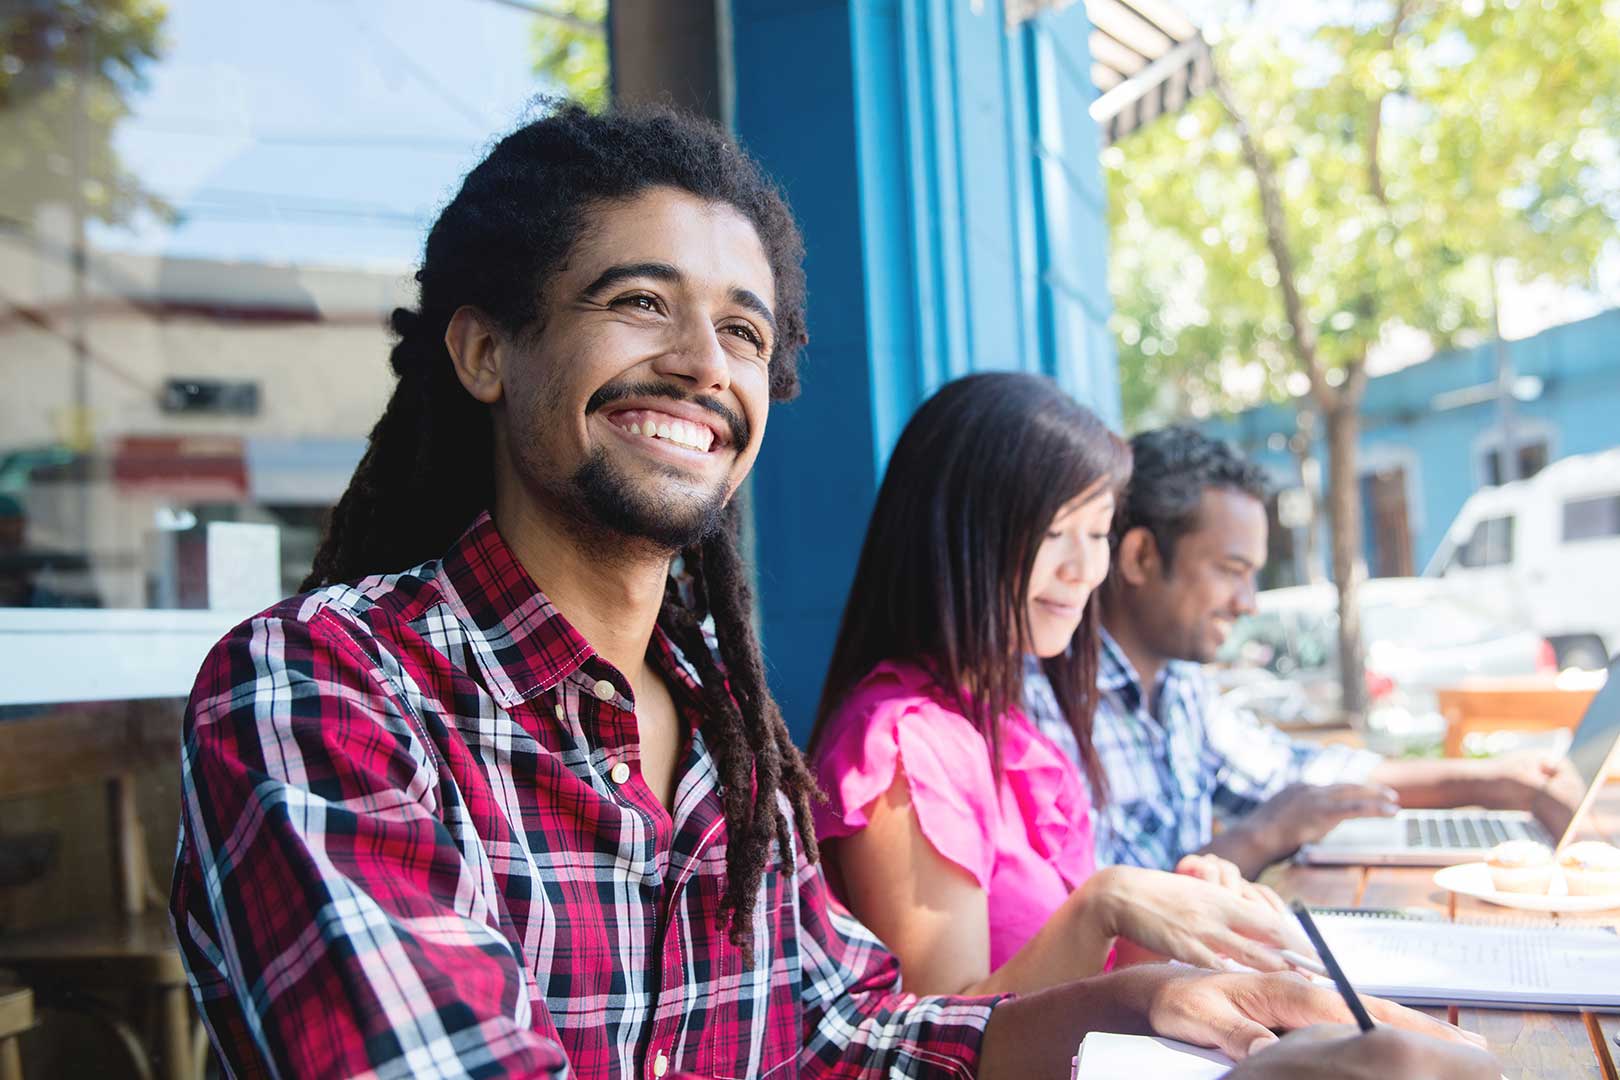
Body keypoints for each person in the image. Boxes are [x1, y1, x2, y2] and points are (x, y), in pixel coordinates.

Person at [170, 105, 1487, 1079]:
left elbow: (853, 1030)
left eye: (744, 331)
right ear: (484, 350)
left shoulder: (726, 733)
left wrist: (1143, 1012)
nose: (701, 364)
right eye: (639, 304)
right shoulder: (327, 685)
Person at [808, 373, 1315, 995]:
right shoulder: (900, 745)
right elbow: (939, 1038)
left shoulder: (1000, 719)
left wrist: (1170, 912)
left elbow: (1077, 983)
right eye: (1053, 532)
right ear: (959, 531)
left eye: (1097, 533)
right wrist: (1107, 905)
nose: (1082, 570)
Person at [1025, 426, 1559, 877]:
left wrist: (1494, 781)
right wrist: (1260, 836)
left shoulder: (1178, 685)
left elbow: (1295, 772)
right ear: (1141, 556)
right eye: (1231, 571)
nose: (1248, 603)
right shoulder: (1044, 700)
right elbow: (1090, 927)